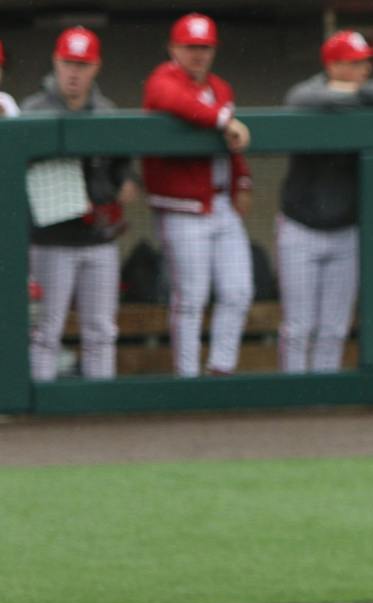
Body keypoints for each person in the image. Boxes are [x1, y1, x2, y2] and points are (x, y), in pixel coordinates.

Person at [277, 32, 373, 374]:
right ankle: (294, 394)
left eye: (365, 62)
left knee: (335, 327)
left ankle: (324, 394)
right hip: (301, 227)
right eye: (355, 63)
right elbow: (297, 98)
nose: (364, 69)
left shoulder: (369, 93)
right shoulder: (309, 92)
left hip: (346, 230)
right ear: (332, 65)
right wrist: (349, 95)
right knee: (298, 326)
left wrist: (355, 93)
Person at [141, 12, 253, 379]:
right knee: (191, 298)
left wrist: (243, 182)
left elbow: (233, 144)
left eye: (204, 47)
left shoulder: (221, 88)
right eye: (190, 47)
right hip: (182, 206)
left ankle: (221, 370)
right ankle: (187, 378)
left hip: (220, 202)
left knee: (238, 291)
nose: (198, 54)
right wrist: (222, 119)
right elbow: (176, 101)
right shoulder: (163, 79)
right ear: (173, 48)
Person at [24, 28, 138, 383]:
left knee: (101, 330)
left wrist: (127, 183)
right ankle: (41, 407)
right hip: (50, 241)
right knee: (45, 330)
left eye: (82, 65)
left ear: (96, 67)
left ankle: (98, 405)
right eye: (69, 63)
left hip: (99, 239)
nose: (74, 72)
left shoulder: (107, 112)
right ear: (56, 62)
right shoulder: (33, 111)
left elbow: (124, 166)